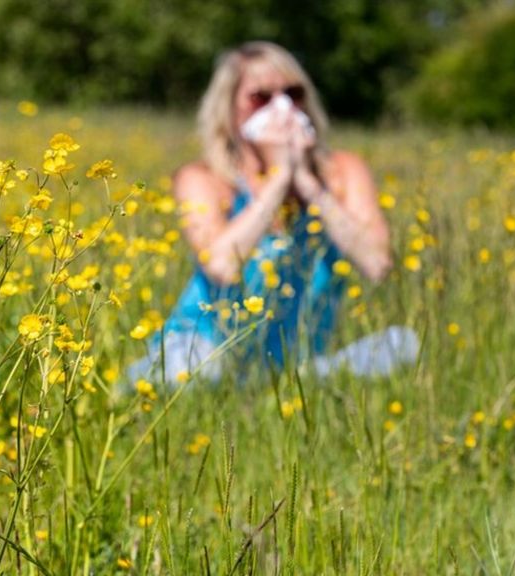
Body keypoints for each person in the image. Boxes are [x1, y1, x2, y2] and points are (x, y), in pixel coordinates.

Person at [125, 41, 418, 389]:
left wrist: (309, 184)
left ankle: (290, 384)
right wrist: (278, 179)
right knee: (198, 370)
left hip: (299, 363)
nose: (282, 109)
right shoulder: (204, 179)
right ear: (230, 110)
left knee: (404, 343)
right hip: (203, 350)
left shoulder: (342, 171)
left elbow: (377, 264)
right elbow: (221, 266)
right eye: (261, 98)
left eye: (293, 94)